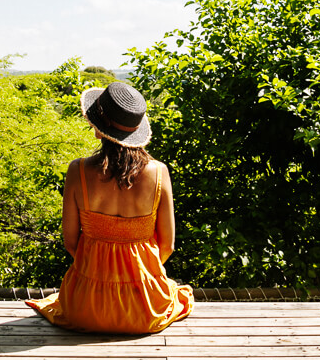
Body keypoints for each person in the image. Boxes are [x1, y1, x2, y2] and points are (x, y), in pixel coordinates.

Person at [26, 82, 194, 333]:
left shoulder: (78, 171)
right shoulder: (159, 173)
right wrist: (138, 277)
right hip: (144, 309)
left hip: (84, 307)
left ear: (97, 130)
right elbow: (167, 246)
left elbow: (71, 243)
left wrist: (100, 274)